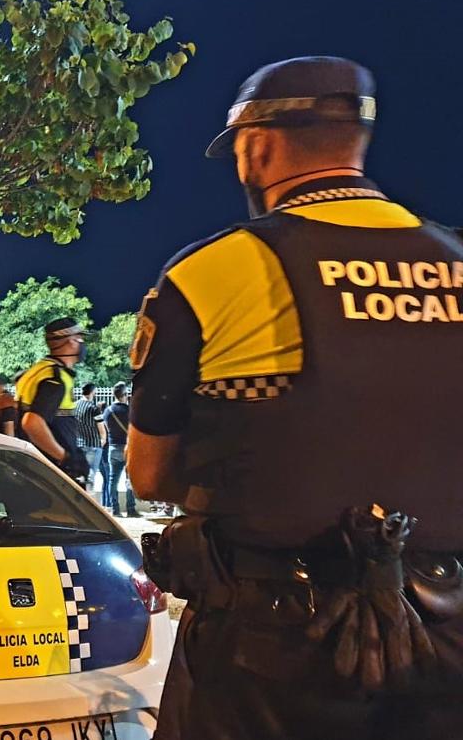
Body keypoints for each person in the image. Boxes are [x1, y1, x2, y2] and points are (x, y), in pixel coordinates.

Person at [127, 57, 463, 739]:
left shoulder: (213, 271)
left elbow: (149, 474)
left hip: (269, 647)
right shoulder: (456, 260)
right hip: (447, 631)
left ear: (257, 146)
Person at [14, 317, 89, 482]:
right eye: (80, 337)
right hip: (49, 473)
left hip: (30, 469)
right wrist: (65, 458)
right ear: (71, 341)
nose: (82, 343)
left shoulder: (37, 371)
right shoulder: (55, 378)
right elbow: (31, 422)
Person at [101, 382, 135, 517]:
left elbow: (105, 428)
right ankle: (131, 509)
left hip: (113, 447)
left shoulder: (107, 411)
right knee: (129, 480)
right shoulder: (130, 411)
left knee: (112, 480)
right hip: (128, 448)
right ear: (125, 395)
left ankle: (115, 509)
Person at [74, 383, 106, 494]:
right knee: (91, 473)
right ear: (92, 392)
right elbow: (101, 427)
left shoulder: (75, 406)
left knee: (80, 473)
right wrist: (103, 440)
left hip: (79, 443)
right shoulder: (93, 408)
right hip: (93, 444)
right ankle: (89, 495)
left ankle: (80, 494)